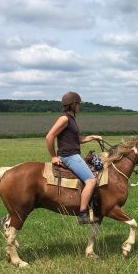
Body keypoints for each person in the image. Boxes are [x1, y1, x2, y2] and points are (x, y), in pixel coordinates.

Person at [46, 91, 103, 224]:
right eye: (78, 104)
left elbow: (78, 139)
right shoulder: (64, 118)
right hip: (69, 156)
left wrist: (93, 137)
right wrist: (53, 156)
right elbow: (49, 136)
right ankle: (82, 214)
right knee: (91, 181)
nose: (79, 106)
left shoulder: (71, 119)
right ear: (73, 105)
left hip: (73, 154)